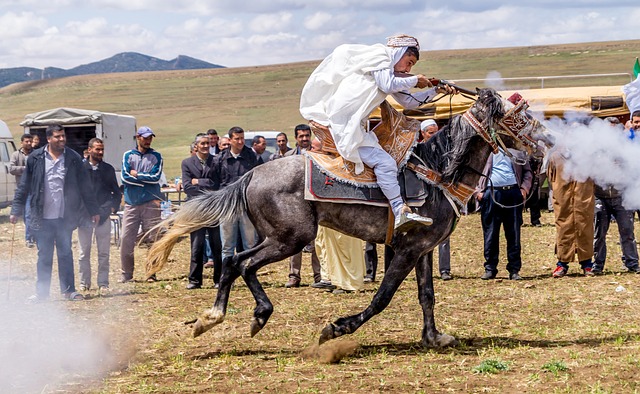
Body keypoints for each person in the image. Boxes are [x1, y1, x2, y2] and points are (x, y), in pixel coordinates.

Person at [299, 34, 457, 231]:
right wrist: (416, 80)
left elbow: (409, 102)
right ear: (399, 53)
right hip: (344, 125)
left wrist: (436, 91)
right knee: (386, 163)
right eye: (409, 62)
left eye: (411, 67)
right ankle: (399, 210)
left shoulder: (390, 73)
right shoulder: (380, 56)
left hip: (355, 126)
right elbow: (387, 85)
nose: (408, 69)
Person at [10, 124, 99, 301]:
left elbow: (85, 187)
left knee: (65, 253)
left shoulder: (73, 158)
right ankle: (42, 293)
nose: (61, 139)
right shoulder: (35, 158)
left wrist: (93, 210)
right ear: (49, 138)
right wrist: (15, 209)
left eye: (63, 136)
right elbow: (24, 186)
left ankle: (68, 291)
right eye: (57, 137)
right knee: (44, 255)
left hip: (64, 216)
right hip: (42, 217)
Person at [476, 148, 532, 280]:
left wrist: (524, 188)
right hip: (491, 193)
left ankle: (514, 269)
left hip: (513, 192)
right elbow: (472, 170)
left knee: (514, 233)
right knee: (491, 233)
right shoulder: (484, 150)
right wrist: (477, 192)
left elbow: (528, 172)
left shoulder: (518, 151)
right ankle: (490, 268)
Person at [77, 138, 122, 293]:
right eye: (97, 149)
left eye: (102, 149)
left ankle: (103, 282)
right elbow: (76, 193)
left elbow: (115, 193)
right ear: (89, 150)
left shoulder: (108, 169)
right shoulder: (80, 168)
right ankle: (84, 282)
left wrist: (110, 209)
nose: (100, 152)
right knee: (84, 252)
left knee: (104, 252)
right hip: (84, 216)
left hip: (103, 216)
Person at [120, 126, 164, 283]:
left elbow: (156, 178)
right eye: (145, 138)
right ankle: (126, 273)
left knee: (153, 238)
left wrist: (137, 175)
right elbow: (125, 177)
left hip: (150, 202)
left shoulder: (157, 156)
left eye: (150, 138)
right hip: (131, 203)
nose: (148, 141)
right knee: (126, 238)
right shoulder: (128, 155)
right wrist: (145, 180)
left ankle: (152, 273)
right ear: (138, 137)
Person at [283, 125, 322, 287]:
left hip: (315, 203)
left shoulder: (319, 154)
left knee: (317, 241)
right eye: (301, 136)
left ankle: (319, 275)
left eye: (307, 136)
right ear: (296, 138)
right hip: (295, 205)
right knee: (295, 240)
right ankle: (294, 276)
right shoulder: (287, 156)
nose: (305, 139)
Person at [547, 148, 595, 277]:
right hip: (563, 199)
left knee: (584, 226)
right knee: (563, 226)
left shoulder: (588, 155)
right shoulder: (555, 156)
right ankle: (562, 264)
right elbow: (550, 177)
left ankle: (587, 264)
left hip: (583, 198)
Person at [213, 127, 258, 265]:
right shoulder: (220, 159)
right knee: (227, 246)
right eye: (237, 139)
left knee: (249, 245)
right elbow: (215, 182)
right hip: (227, 206)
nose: (240, 141)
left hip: (246, 205)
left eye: (242, 138)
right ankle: (227, 278)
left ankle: (249, 275)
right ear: (230, 140)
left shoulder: (251, 156)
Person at [182, 133, 221, 289]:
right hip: (196, 208)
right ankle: (195, 280)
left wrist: (198, 181)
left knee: (216, 244)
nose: (206, 146)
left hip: (213, 207)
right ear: (196, 146)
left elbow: (217, 184)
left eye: (207, 143)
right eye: (202, 144)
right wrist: (207, 185)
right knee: (197, 244)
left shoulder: (216, 162)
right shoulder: (187, 163)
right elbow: (187, 187)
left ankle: (218, 279)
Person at [420, 119, 453, 280]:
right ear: (423, 134)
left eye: (436, 132)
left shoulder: (444, 150)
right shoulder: (417, 151)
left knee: (443, 234)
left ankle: (445, 270)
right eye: (431, 133)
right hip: (422, 198)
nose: (434, 136)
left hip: (440, 196)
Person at [9, 133, 34, 247]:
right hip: (21, 188)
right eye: (27, 141)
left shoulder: (35, 154)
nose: (29, 143)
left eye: (30, 141)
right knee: (25, 214)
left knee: (29, 214)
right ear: (22, 142)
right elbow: (11, 168)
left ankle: (29, 238)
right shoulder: (16, 154)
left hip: (33, 189)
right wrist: (25, 169)